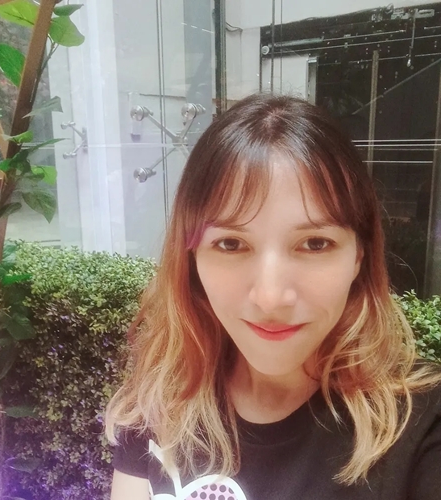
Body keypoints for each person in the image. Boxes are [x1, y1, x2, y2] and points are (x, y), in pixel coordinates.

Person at [106, 94, 441, 499]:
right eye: (231, 244)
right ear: (191, 258)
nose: (270, 298)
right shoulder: (162, 398)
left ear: (359, 256)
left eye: (315, 243)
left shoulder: (422, 428)